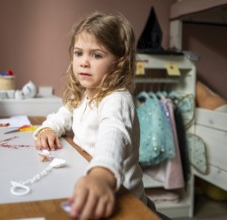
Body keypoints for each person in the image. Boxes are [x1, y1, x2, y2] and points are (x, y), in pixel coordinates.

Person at [33, 11, 154, 219]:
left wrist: (101, 175)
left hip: (121, 197)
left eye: (96, 55)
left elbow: (114, 134)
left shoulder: (117, 98)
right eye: (79, 53)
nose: (84, 62)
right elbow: (62, 116)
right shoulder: (82, 94)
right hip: (88, 182)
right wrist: (48, 128)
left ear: (119, 61)